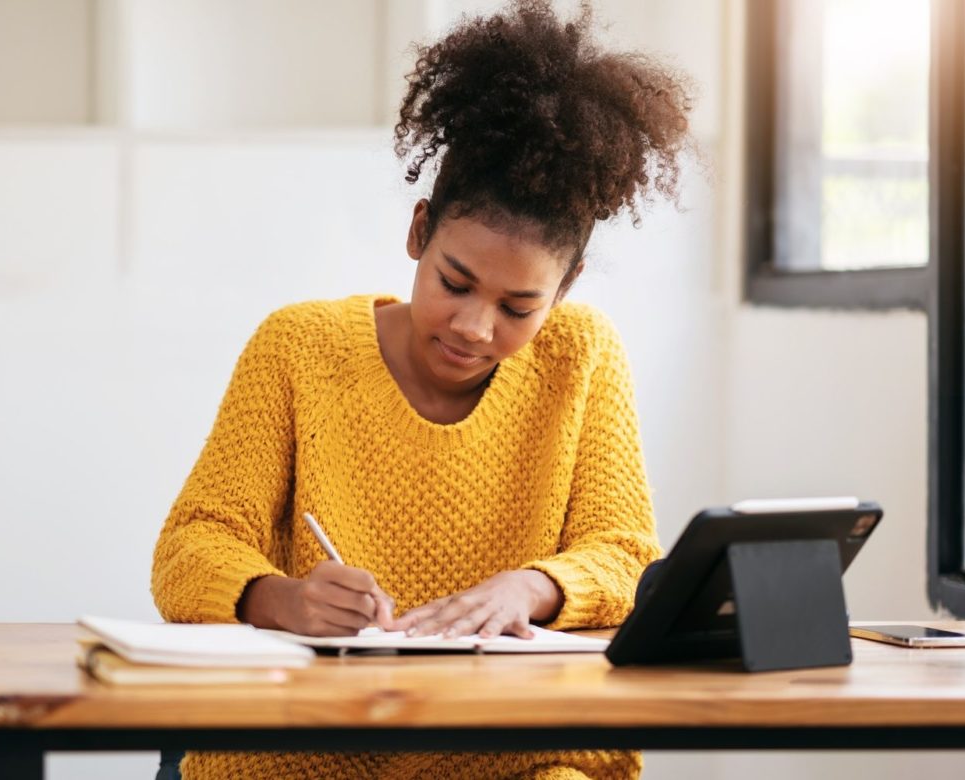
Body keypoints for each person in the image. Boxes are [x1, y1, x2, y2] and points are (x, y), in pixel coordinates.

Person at [151, 1, 694, 777]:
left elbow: (626, 559)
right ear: (418, 232)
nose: (475, 326)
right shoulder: (299, 347)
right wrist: (284, 600)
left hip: (512, 756)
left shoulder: (584, 358)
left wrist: (532, 587)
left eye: (518, 308)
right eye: (455, 281)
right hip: (306, 752)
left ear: (565, 288)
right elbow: (190, 547)